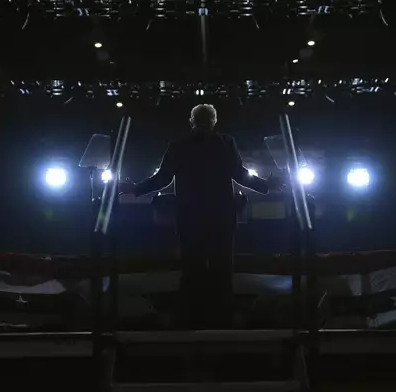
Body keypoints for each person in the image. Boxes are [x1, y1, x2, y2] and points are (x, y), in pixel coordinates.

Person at [119, 104, 282, 328]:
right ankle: (224, 318)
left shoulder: (178, 145)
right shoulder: (226, 142)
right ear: (214, 121)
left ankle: (188, 318)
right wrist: (266, 185)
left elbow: (163, 178)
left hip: (190, 214)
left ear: (191, 121)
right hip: (221, 215)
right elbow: (240, 175)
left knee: (192, 266)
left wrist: (135, 189)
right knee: (222, 266)